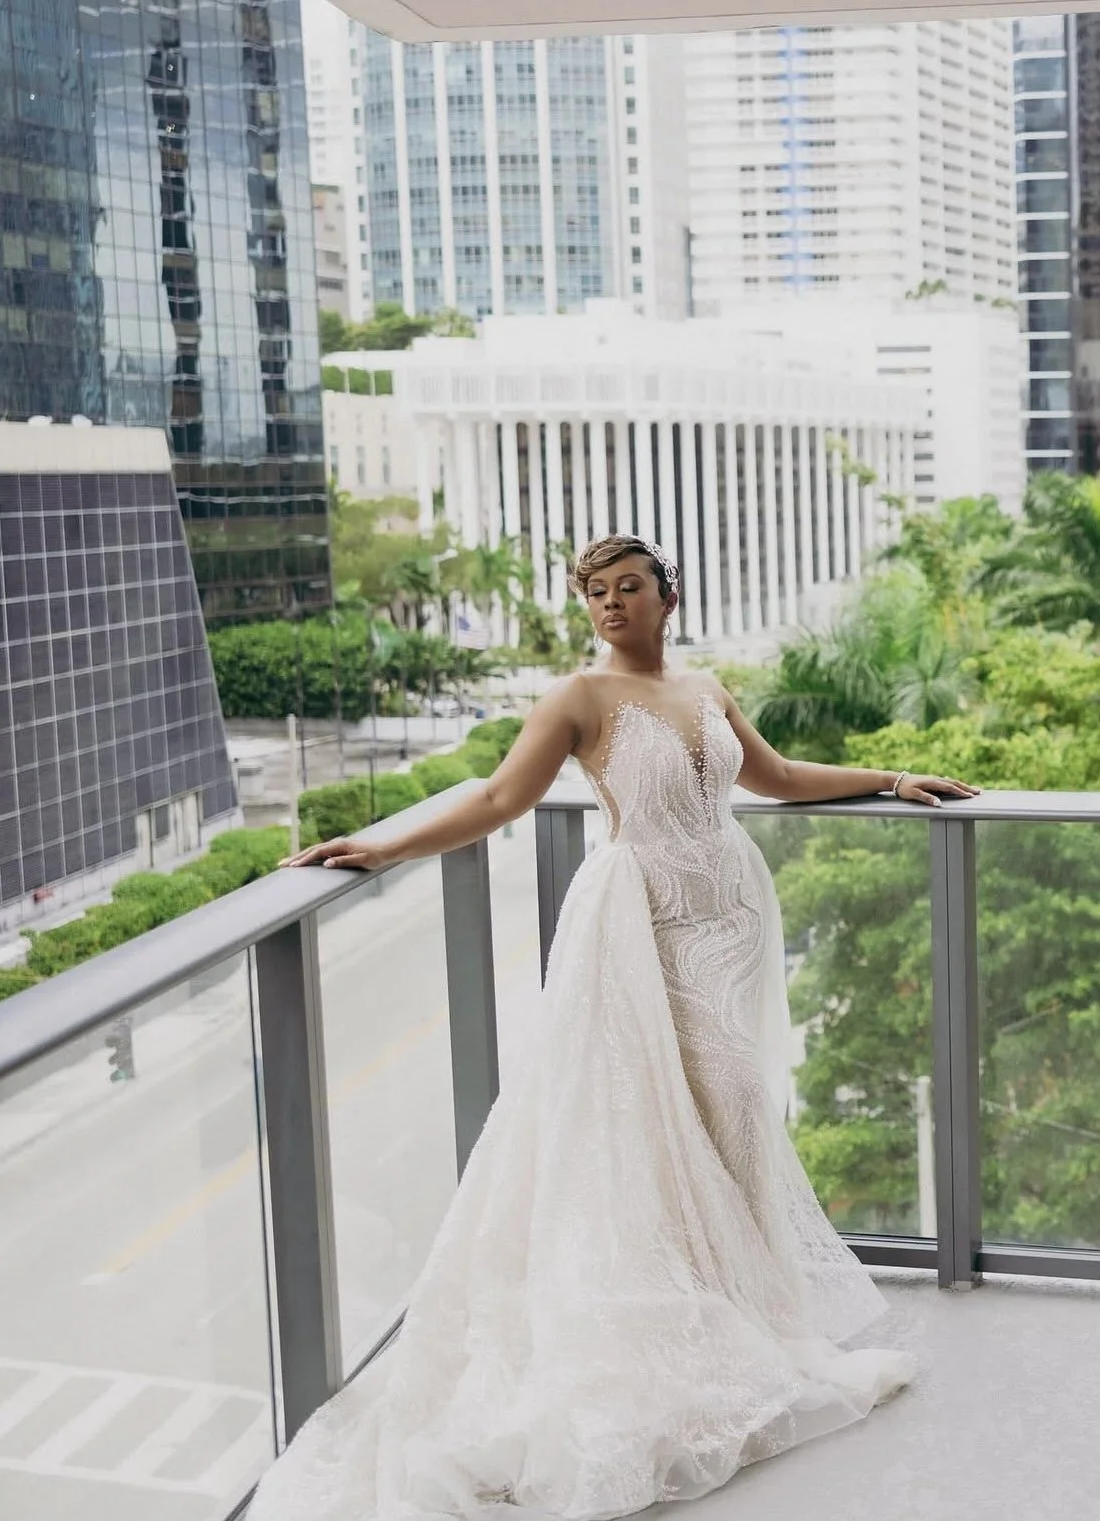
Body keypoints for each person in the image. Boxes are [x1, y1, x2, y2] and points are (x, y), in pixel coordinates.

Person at [248, 535, 980, 1521]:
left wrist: (890, 779)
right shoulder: (576, 700)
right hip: (642, 928)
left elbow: (770, 778)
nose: (607, 604)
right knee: (640, 1128)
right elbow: (499, 800)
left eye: (625, 587)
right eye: (593, 592)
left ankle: (742, 1308)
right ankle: (680, 1326)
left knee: (734, 1113)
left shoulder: (706, 686)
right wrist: (379, 845)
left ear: (666, 597)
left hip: (729, 917)